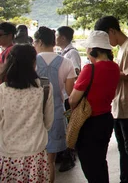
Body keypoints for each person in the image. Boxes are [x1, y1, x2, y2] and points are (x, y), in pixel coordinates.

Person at [95, 16, 128, 183]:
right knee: (123, 148)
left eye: (106, 37)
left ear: (112, 31)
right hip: (121, 105)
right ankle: (124, 178)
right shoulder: (121, 48)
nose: (106, 42)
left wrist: (111, 73)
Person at [70, 30, 120, 183]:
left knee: (89, 164)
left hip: (89, 121)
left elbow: (73, 99)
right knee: (100, 160)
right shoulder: (115, 67)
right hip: (106, 119)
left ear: (93, 50)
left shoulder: (89, 69)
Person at [0, 44, 54, 182]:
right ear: (33, 62)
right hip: (35, 153)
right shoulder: (45, 87)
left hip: (8, 154)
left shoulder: (2, 90)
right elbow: (48, 122)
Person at [34, 26, 76, 183]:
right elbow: (70, 94)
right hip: (56, 114)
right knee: (50, 162)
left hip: (33, 115)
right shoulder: (66, 63)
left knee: (34, 160)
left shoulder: (32, 61)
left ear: (39, 42)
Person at [55, 25, 81, 172]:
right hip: (64, 94)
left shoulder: (72, 53)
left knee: (70, 127)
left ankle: (69, 156)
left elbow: (76, 72)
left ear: (63, 37)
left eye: (57, 35)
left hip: (69, 95)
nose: (55, 38)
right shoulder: (65, 52)